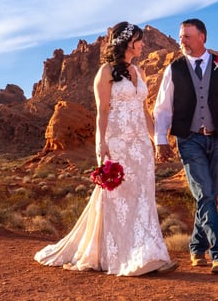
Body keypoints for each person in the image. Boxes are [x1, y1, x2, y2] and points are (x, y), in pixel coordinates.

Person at [35, 22, 178, 276]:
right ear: (127, 43)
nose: (142, 44)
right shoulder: (105, 72)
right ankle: (119, 256)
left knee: (144, 197)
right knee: (118, 198)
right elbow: (102, 112)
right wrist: (102, 147)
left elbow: (143, 110)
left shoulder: (140, 72)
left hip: (140, 146)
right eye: (138, 40)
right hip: (118, 142)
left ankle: (150, 253)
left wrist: (157, 140)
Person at [153, 18, 218, 274]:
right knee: (204, 194)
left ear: (202, 37)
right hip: (189, 139)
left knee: (210, 196)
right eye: (181, 36)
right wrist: (161, 140)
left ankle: (196, 246)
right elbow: (162, 108)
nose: (181, 41)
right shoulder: (174, 69)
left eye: (187, 36)